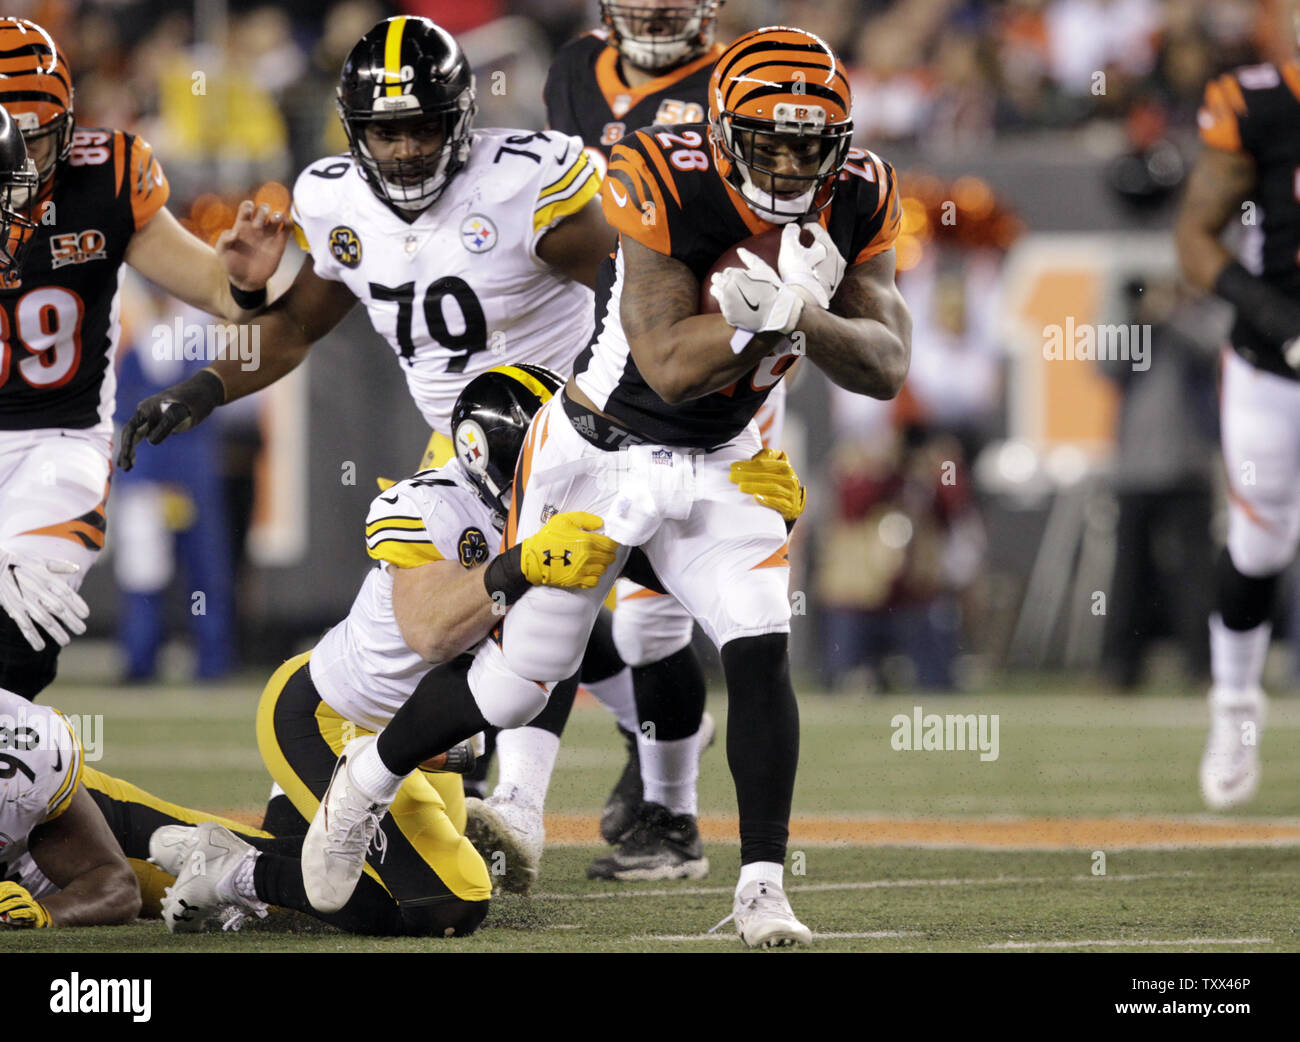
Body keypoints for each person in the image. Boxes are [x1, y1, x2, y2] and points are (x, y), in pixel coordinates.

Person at [304, 26, 909, 948]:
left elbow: (886, 362)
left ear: (842, 141)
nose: (788, 167)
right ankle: (364, 787)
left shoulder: (861, 190)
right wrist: (770, 324)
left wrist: (797, 313)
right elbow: (667, 364)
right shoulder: (658, 170)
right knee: (514, 686)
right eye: (768, 142)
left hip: (724, 456)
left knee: (758, 643)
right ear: (718, 128)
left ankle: (760, 889)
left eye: (807, 146)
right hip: (594, 449)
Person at [155, 365, 620, 934]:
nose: (559, 466)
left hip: (419, 743)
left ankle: (255, 861)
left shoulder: (538, 512)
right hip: (330, 719)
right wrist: (519, 566)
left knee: (339, 889)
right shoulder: (434, 505)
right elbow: (431, 632)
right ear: (487, 453)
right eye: (544, 450)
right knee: (451, 904)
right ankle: (237, 872)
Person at [0, 16, 289, 701]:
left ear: (68, 126)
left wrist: (244, 278)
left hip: (55, 442)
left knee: (16, 642)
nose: (24, 165)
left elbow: (224, 294)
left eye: (38, 141)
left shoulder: (105, 179)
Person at [535, 0, 746, 877]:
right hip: (611, 361)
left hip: (712, 359)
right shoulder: (575, 72)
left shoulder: (745, 82)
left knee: (655, 623)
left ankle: (673, 817)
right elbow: (574, 225)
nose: (655, 4)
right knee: (553, 577)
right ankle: (607, 774)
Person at [1174, 45, 1300, 809]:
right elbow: (1194, 240)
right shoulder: (1259, 106)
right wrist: (1280, 323)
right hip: (1270, 366)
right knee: (1261, 543)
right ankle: (1236, 711)